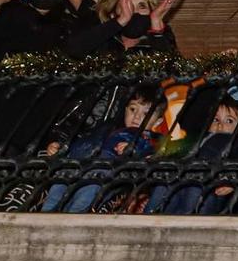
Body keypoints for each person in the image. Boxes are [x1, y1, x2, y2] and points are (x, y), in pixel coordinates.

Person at [36, 86, 160, 214]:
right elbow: (86, 141)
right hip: (78, 162)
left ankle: (72, 217)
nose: (137, 117)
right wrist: (60, 146)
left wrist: (134, 150)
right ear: (125, 110)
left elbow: (150, 152)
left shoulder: (149, 138)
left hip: (100, 173)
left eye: (146, 113)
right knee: (58, 188)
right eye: (133, 109)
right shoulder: (108, 127)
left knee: (85, 195)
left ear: (158, 122)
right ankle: (46, 214)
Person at [144, 98, 238, 216]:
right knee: (163, 185)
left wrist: (233, 179)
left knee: (196, 197)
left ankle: (190, 224)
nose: (220, 124)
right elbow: (174, 147)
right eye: (215, 119)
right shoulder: (198, 138)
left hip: (209, 183)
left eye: (229, 121)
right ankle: (150, 218)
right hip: (181, 176)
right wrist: (152, 154)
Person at [64, 0, 180, 58]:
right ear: (112, 14)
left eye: (142, 6)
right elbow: (73, 50)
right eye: (128, 6)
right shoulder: (101, 38)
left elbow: (173, 75)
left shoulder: (162, 37)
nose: (135, 12)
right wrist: (122, 20)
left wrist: (156, 25)